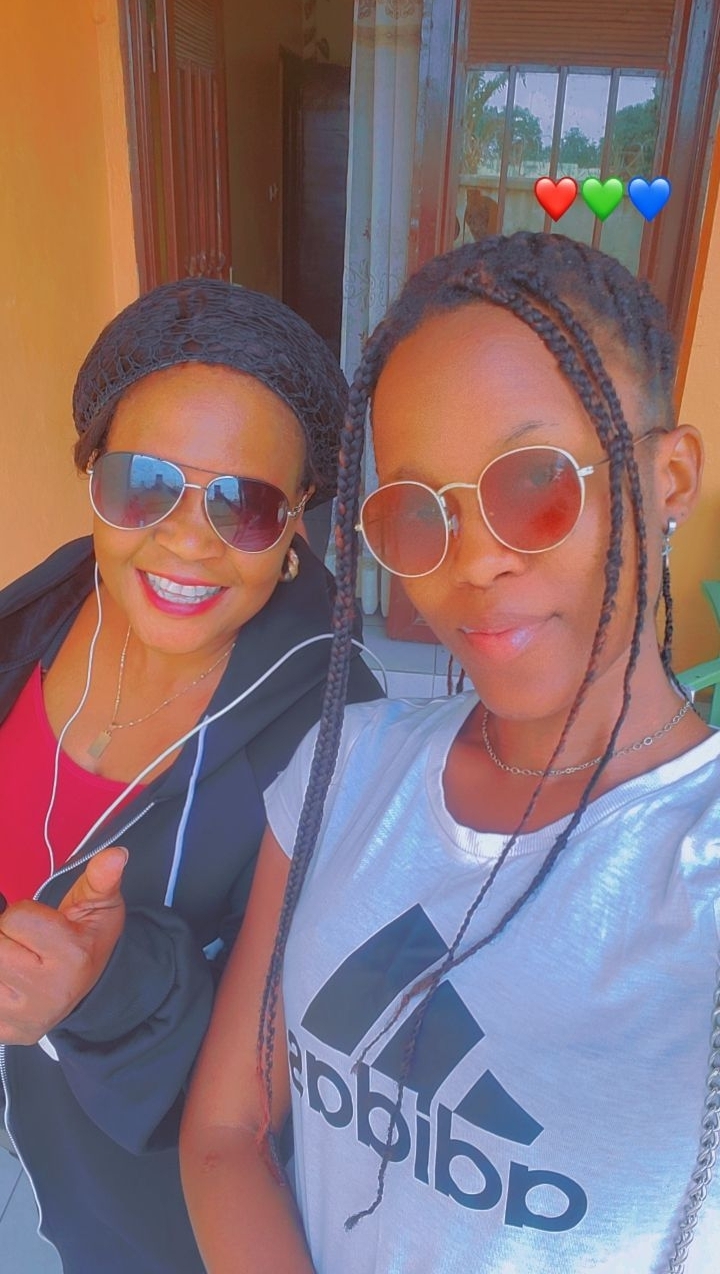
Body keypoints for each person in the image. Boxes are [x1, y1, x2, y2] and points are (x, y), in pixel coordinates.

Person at [180, 232, 720, 1273]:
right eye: (418, 512)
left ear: (671, 478)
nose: (473, 561)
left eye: (536, 483)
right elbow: (226, 1130)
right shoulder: (343, 771)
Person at [0, 276, 382, 1274]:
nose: (184, 537)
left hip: (175, 1210)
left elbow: (317, 1059)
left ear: (298, 517)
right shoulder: (46, 605)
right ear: (92, 474)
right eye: (143, 484)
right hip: (44, 1146)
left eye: (244, 504)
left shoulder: (342, 730)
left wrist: (106, 987)